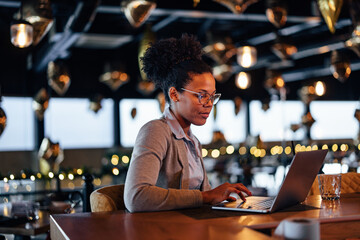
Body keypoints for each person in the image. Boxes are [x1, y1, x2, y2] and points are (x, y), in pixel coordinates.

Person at [124, 34, 251, 212]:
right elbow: (136, 197)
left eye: (212, 96)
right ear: (174, 94)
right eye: (201, 95)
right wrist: (206, 196)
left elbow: (203, 199)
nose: (208, 104)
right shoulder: (156, 131)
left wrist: (220, 196)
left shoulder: (193, 141)